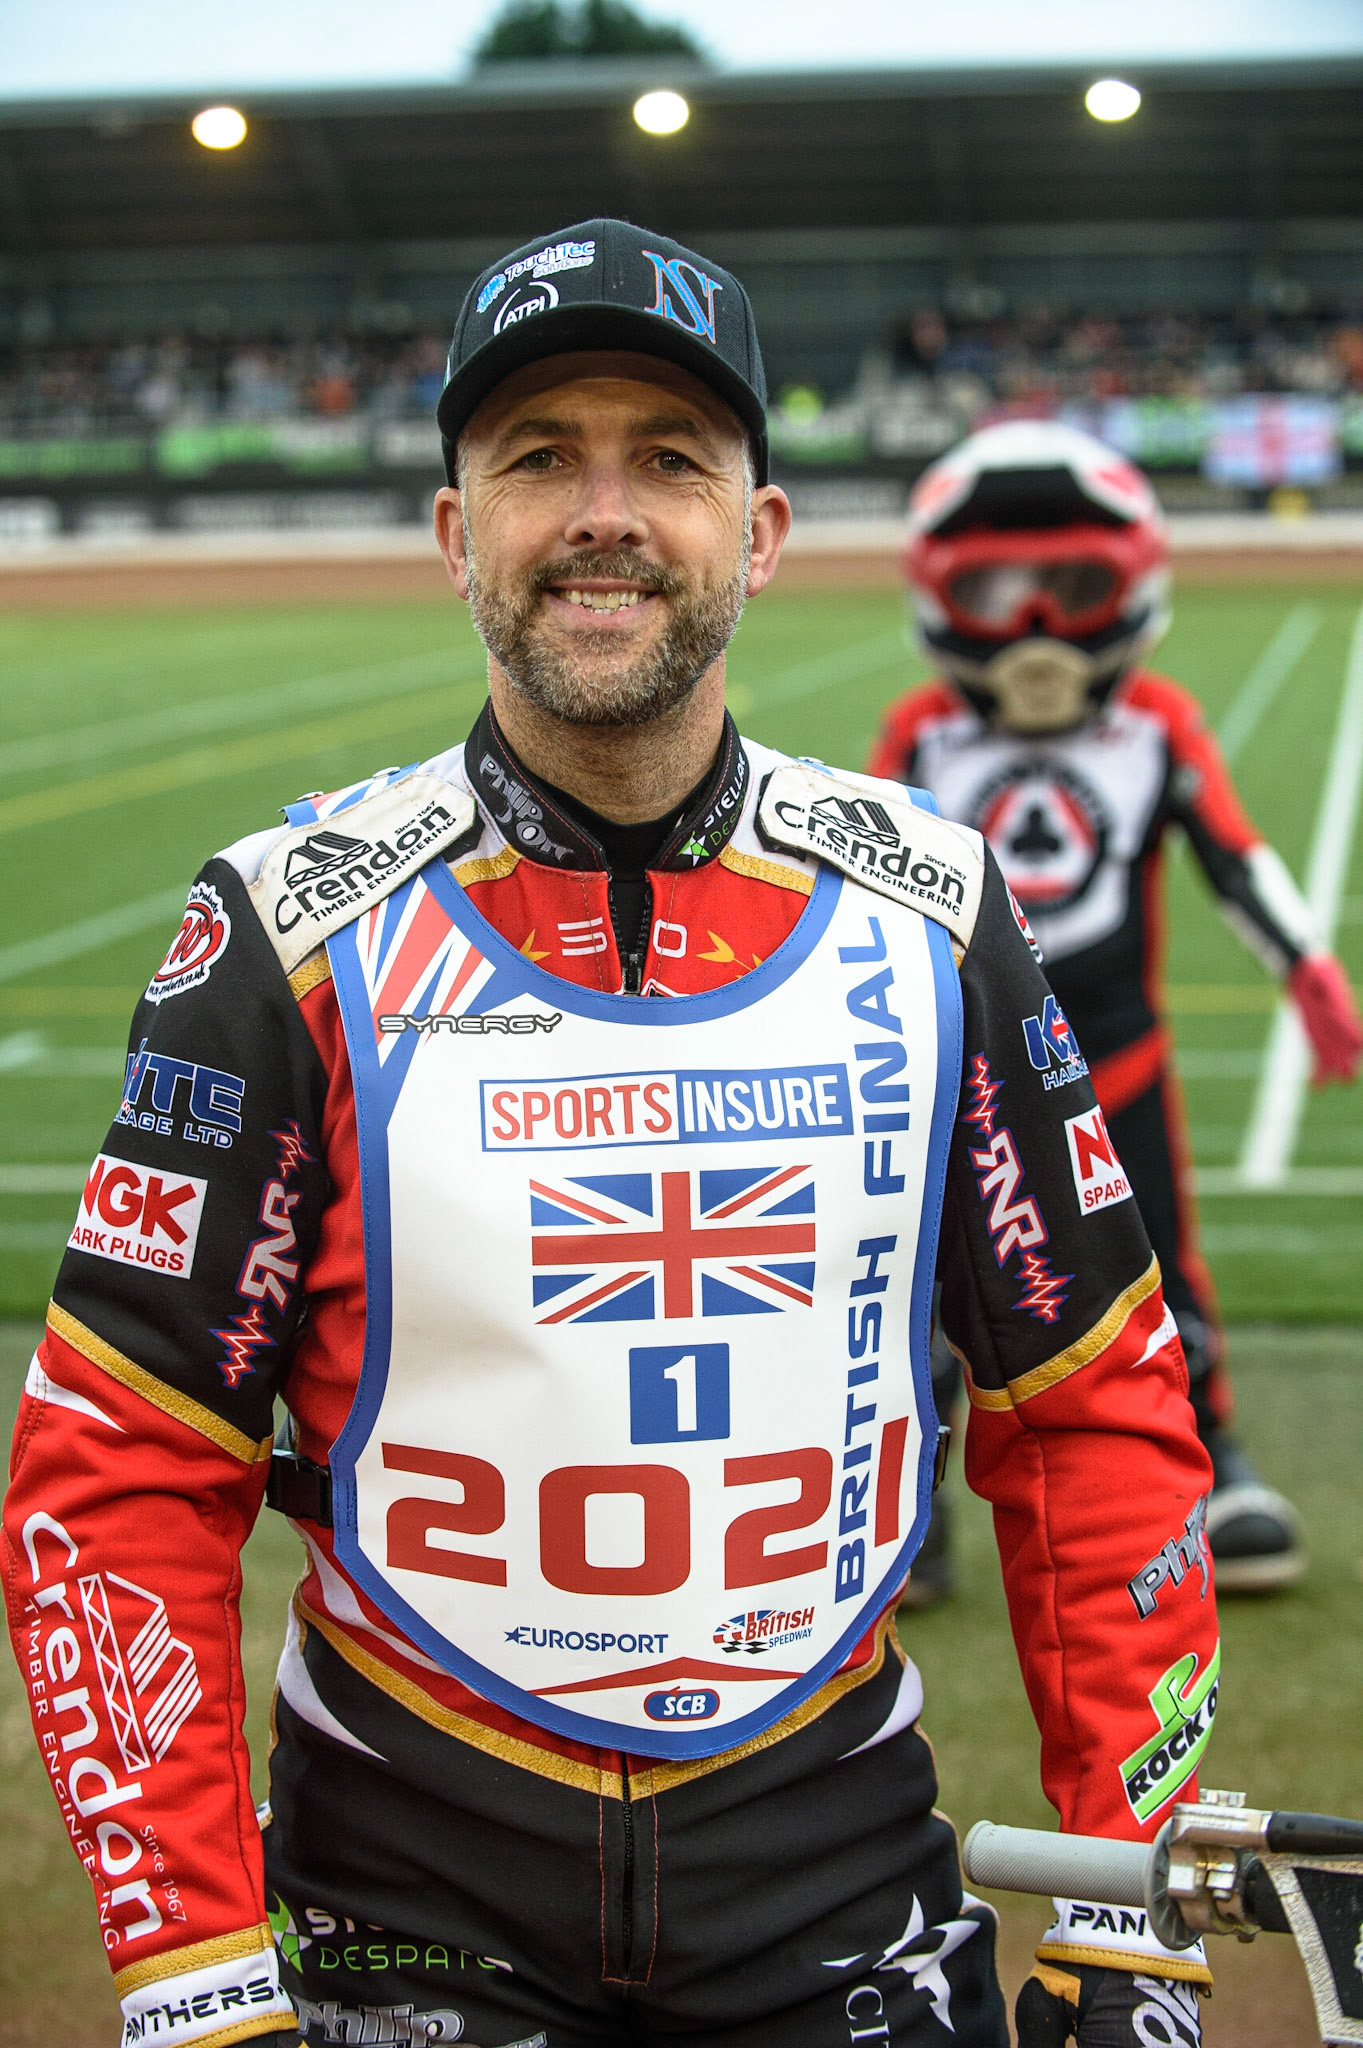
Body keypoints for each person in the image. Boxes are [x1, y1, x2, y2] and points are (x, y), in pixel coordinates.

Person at [5, 225, 1217, 2048]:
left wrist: (1134, 1918)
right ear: (451, 532)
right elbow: (118, 1467)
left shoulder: (937, 904)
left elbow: (1095, 1408)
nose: (602, 511)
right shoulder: (282, 928)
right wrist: (190, 1971)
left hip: (834, 1862)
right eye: (533, 458)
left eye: (667, 457)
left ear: (761, 528)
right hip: (400, 1887)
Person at [870, 418, 1363, 1599]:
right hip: (968, 1081)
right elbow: (872, 879)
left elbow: (1235, 854)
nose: (1036, 625)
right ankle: (913, 1505)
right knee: (935, 1283)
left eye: (1071, 586)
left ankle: (1210, 1462)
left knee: (1161, 1270)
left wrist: (1306, 961)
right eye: (997, 589)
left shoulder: (1157, 726)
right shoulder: (923, 737)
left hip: (1122, 1068)